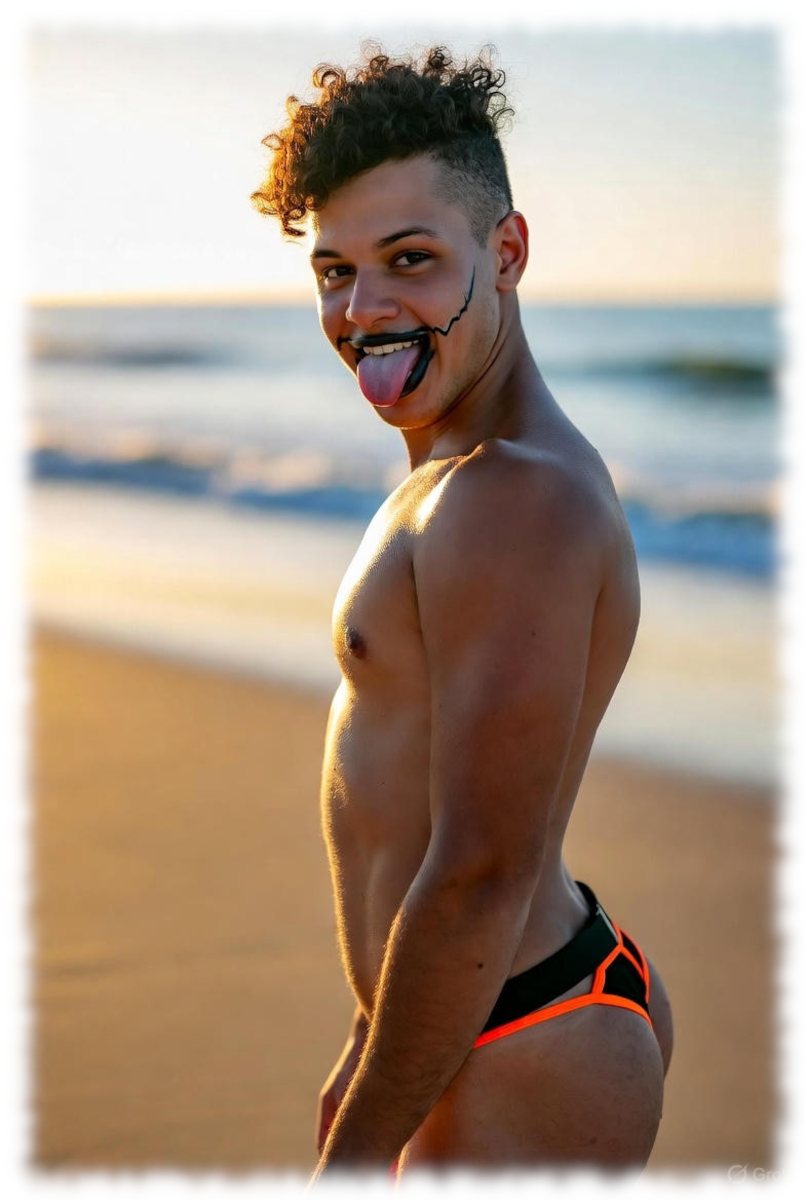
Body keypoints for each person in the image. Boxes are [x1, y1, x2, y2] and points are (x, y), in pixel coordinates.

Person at [251, 43, 674, 1183]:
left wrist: (356, 1156)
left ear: (508, 252)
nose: (363, 309)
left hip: (523, 1031)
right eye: (334, 270)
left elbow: (482, 867)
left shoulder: (511, 496)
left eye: (411, 260)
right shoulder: (458, 467)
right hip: (479, 1007)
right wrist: (373, 1032)